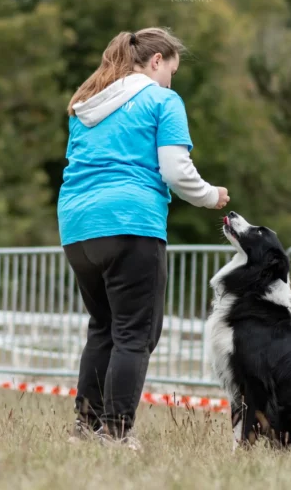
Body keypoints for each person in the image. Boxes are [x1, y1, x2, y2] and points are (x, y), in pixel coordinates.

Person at [58, 27, 230, 449]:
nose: (172, 79)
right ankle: (116, 433)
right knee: (135, 334)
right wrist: (211, 197)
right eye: (171, 69)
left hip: (77, 227)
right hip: (130, 221)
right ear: (157, 62)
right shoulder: (162, 100)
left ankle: (86, 427)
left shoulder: (86, 106)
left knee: (103, 327)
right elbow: (174, 169)